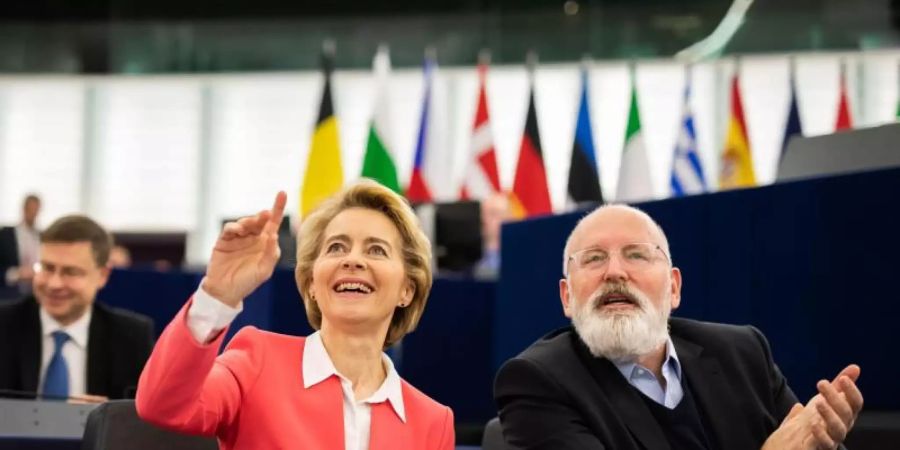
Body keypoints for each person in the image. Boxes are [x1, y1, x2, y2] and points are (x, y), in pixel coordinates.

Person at [493, 204, 863, 450]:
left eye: (637, 254)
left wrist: (825, 434)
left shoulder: (742, 353)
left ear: (673, 288)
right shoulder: (536, 381)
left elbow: (799, 441)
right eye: (593, 259)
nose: (615, 272)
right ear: (567, 298)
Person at [136, 180, 455, 450]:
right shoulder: (256, 360)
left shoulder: (432, 421)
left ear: (407, 290)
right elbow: (164, 406)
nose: (353, 260)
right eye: (336, 248)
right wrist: (218, 294)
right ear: (312, 282)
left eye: (376, 250)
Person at [0, 215, 155, 401]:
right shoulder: (4, 325)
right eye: (47, 268)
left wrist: (110, 418)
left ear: (102, 276)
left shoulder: (131, 337)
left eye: (71, 272)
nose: (54, 284)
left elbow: (142, 421)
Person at [0, 194, 42, 297]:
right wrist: (16, 274)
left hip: (36, 293)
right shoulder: (5, 234)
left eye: (36, 210)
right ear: (23, 209)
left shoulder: (42, 236)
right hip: (9, 294)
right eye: (30, 209)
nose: (33, 213)